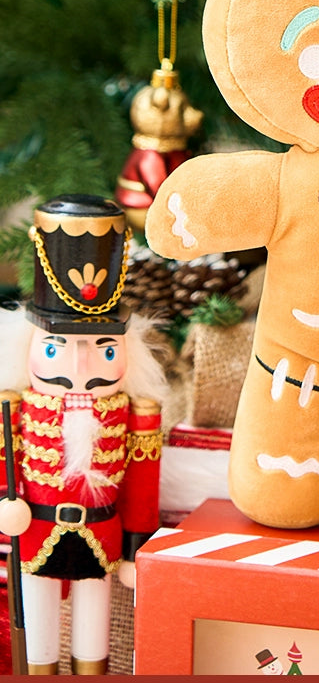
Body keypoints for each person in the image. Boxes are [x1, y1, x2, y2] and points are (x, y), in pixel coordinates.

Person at [0, 194, 167, 674]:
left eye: (103, 349)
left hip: (102, 533)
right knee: (39, 634)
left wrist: (137, 548)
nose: (80, 367)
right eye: (57, 349)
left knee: (93, 636)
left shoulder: (137, 414)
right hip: (34, 532)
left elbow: (141, 486)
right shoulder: (15, 408)